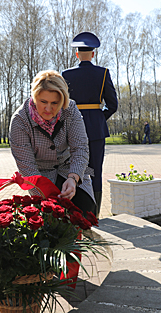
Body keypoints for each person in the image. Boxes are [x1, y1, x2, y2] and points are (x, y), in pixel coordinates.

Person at [9, 70, 95, 216]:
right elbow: (28, 169)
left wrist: (73, 179)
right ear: (34, 97)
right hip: (40, 177)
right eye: (43, 102)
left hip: (71, 169)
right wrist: (46, 197)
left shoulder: (71, 109)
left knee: (86, 211)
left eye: (55, 103)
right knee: (51, 217)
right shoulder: (19, 121)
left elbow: (80, 149)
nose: (49, 109)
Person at [62, 32, 118, 217]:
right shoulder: (103, 73)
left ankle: (75, 212)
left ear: (76, 54)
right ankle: (94, 214)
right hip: (95, 129)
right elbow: (113, 104)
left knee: (72, 169)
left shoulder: (66, 74)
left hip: (71, 127)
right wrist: (99, 118)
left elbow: (62, 104)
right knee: (95, 171)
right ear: (93, 54)